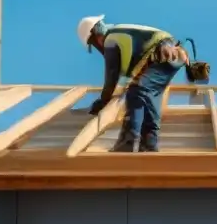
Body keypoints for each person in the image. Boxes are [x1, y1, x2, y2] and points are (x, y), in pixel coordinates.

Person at [77, 15, 186, 152]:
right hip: (172, 55)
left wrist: (103, 101)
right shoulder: (121, 35)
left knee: (136, 93)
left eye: (93, 44)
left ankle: (128, 143)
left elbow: (112, 75)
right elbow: (128, 72)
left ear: (95, 35)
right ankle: (149, 143)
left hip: (163, 52)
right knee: (149, 98)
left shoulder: (111, 40)